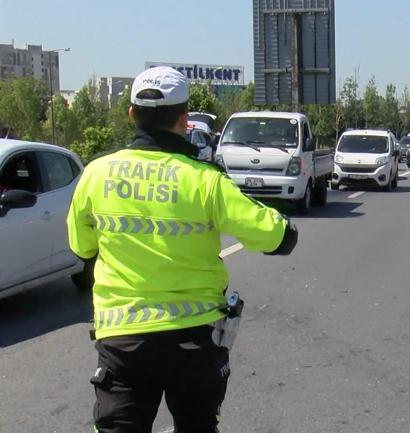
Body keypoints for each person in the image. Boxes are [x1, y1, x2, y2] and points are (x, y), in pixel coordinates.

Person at [67, 66, 298, 433]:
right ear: (183, 118)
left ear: (131, 114)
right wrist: (284, 225)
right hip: (194, 338)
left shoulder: (96, 174)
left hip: (122, 338)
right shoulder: (205, 180)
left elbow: (81, 247)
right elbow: (277, 237)